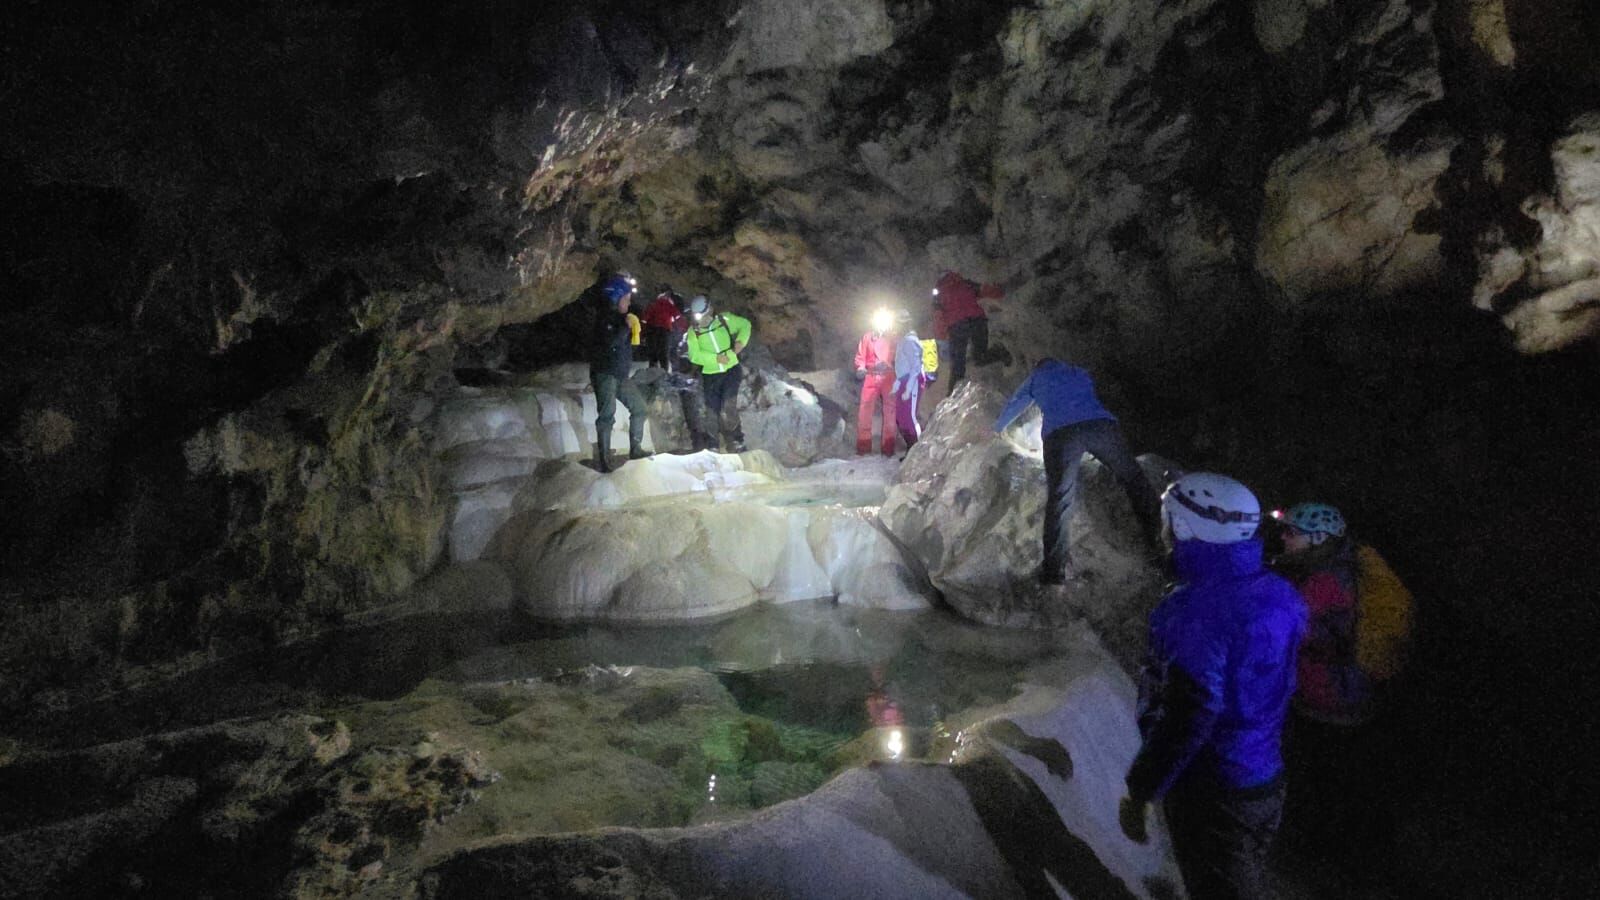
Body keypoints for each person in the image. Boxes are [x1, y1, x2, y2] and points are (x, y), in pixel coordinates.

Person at [1120, 473, 1308, 900]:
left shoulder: (1195, 612)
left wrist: (1142, 789)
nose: (1164, 528)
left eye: (1168, 519)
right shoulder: (1280, 593)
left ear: (1184, 527)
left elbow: (1190, 712)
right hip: (1264, 773)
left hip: (1213, 787)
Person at [1271, 502, 1411, 882]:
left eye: (1292, 533)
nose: (1284, 538)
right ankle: (1339, 854)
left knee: (1317, 777)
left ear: (1318, 539)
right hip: (1350, 700)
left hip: (1327, 700)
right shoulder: (1337, 567)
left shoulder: (1326, 582)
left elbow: (1284, 628)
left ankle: (1320, 856)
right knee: (1336, 778)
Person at [993, 357, 1161, 584]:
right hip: (1101, 426)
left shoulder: (1036, 378)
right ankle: (1160, 542)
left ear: (1037, 367)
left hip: (1062, 435)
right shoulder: (1078, 371)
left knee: (1061, 499)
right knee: (1134, 479)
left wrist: (997, 428)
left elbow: (1016, 402)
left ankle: (1053, 573)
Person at [585, 272, 649, 472]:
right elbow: (610, 342)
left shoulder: (621, 318)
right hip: (605, 373)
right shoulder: (605, 318)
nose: (629, 303)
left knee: (640, 408)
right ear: (616, 297)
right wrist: (625, 327)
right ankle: (604, 460)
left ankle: (636, 450)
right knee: (607, 415)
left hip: (620, 375)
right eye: (626, 298)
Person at [684, 294, 752, 453]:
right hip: (711, 374)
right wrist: (716, 359)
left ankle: (737, 440)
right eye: (699, 316)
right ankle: (713, 444)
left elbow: (745, 325)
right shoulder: (694, 332)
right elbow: (694, 355)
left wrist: (740, 342)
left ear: (710, 309)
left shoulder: (724, 320)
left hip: (731, 370)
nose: (702, 319)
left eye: (705, 314)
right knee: (711, 410)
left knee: (729, 405)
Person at [931, 270, 1002, 394]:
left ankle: (952, 395)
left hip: (957, 327)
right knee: (980, 357)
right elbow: (984, 290)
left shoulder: (938, 294)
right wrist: (1000, 291)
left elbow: (938, 317)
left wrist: (941, 337)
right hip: (977, 321)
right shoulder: (964, 283)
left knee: (958, 365)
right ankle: (1001, 352)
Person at [853, 308, 899, 456]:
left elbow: (898, 356)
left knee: (890, 412)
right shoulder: (868, 337)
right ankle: (863, 447)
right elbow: (861, 356)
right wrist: (860, 367)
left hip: (889, 377)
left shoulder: (893, 338)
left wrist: (892, 365)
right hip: (871, 375)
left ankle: (888, 448)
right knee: (865, 412)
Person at [891, 309, 929, 450]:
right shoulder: (903, 340)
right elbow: (903, 365)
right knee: (901, 417)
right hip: (905, 380)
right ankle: (910, 448)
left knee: (909, 417)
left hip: (912, 381)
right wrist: (898, 383)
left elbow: (915, 366)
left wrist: (908, 388)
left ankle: (915, 450)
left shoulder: (909, 341)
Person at [641, 286, 686, 370]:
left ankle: (652, 369)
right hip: (665, 330)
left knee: (653, 351)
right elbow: (677, 316)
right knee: (663, 352)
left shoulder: (653, 304)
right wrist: (682, 328)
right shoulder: (669, 305)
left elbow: (645, 318)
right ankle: (664, 371)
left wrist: (643, 331)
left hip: (652, 330)